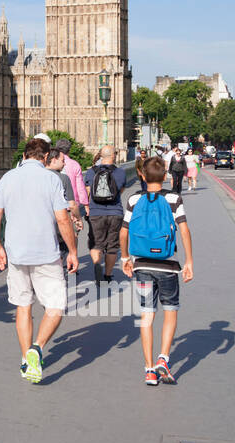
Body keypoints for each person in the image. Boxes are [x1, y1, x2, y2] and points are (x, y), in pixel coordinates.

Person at [0, 137, 78, 384]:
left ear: (25, 154)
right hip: (46, 254)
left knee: (23, 306)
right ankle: (36, 349)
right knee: (56, 307)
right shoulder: (51, 179)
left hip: (16, 253)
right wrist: (72, 250)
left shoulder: (8, 178)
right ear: (46, 157)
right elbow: (63, 219)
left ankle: (25, 360)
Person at [120, 155, 194, 386]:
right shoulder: (173, 198)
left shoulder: (133, 199)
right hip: (168, 265)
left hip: (142, 265)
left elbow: (123, 233)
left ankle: (149, 369)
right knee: (170, 310)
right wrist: (189, 261)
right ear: (165, 176)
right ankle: (164, 357)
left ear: (141, 175)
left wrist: (126, 259)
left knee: (147, 315)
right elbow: (184, 231)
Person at [83, 145, 126, 285]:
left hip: (96, 212)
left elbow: (88, 192)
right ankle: (108, 275)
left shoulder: (91, 172)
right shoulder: (121, 172)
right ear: (114, 155)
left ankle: (96, 264)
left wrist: (88, 207)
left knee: (96, 243)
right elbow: (120, 191)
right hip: (115, 212)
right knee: (112, 246)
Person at [46, 147, 82, 270]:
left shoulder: (36, 177)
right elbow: (72, 205)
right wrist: (78, 218)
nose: (64, 163)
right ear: (54, 160)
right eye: (62, 160)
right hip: (59, 224)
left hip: (40, 226)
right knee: (61, 252)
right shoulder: (63, 178)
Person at [53, 137, 89, 212]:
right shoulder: (74, 164)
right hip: (72, 204)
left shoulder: (52, 163)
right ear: (69, 150)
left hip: (56, 205)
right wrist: (85, 204)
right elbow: (80, 187)